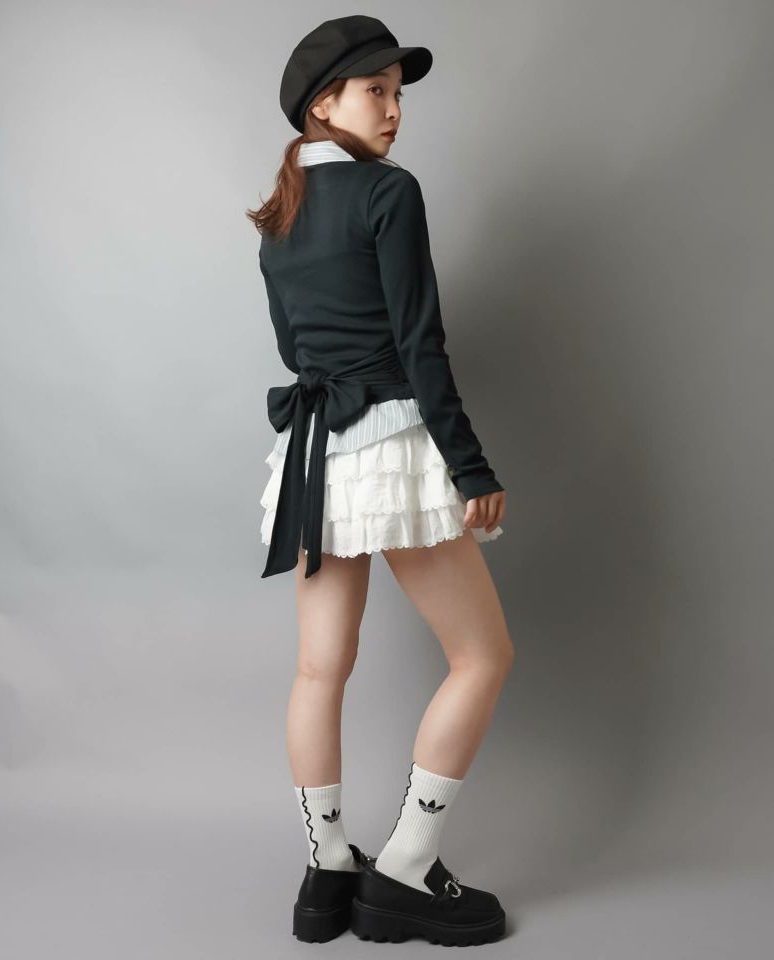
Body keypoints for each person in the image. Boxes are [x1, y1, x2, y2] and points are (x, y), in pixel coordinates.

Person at [246, 15, 515, 947]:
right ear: (325, 104)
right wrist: (469, 464)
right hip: (391, 443)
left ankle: (326, 874)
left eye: (398, 94)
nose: (395, 110)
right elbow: (418, 342)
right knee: (483, 656)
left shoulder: (277, 214)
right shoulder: (388, 192)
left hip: (313, 455)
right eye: (377, 91)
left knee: (319, 667)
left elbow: (295, 349)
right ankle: (403, 867)